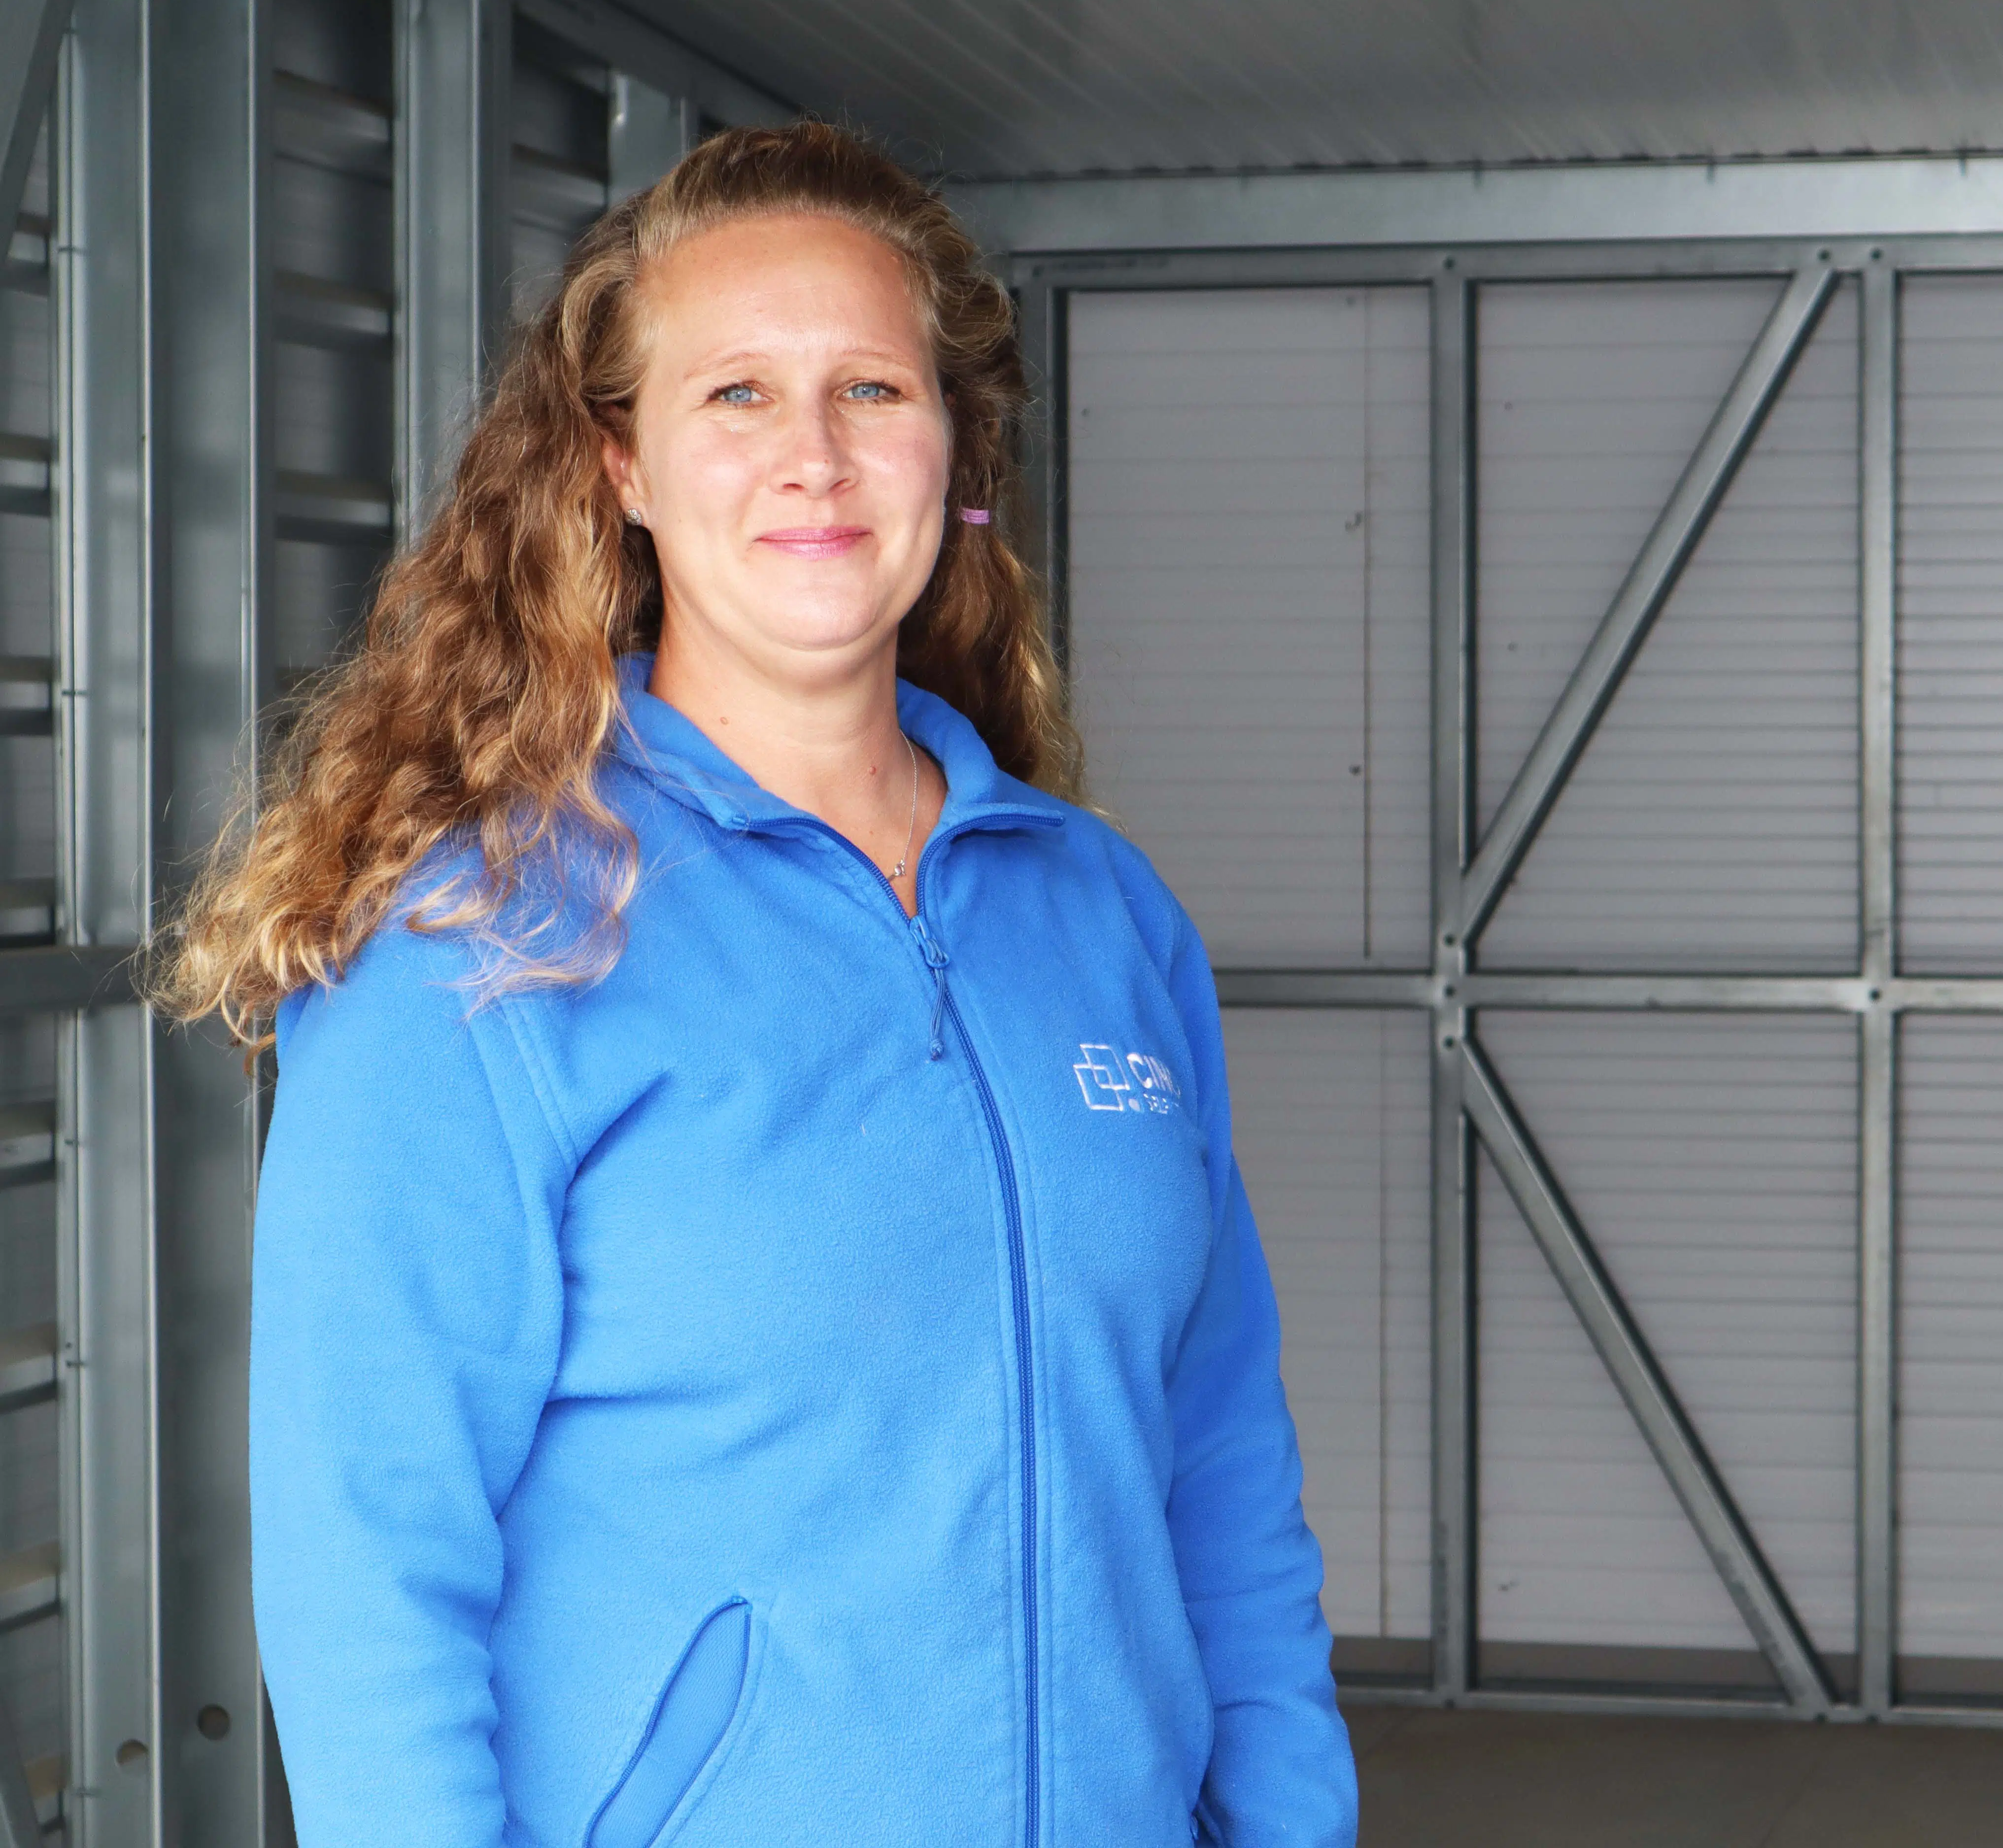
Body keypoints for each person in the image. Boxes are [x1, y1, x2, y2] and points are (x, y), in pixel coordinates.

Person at [157, 121, 1356, 1848]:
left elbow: (1222, 1452)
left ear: (958, 457)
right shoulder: (482, 939)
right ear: (621, 464)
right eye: (734, 395)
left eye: (872, 389)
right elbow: (371, 1559)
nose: (813, 454)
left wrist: (1294, 1821)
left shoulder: (1103, 916)